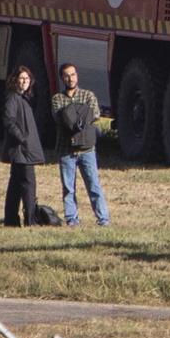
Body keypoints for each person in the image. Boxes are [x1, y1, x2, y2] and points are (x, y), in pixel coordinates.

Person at [50, 62, 110, 227]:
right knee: (69, 188)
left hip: (87, 149)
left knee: (94, 185)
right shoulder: (57, 99)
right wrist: (80, 114)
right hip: (65, 150)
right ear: (62, 78)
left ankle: (103, 218)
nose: (71, 78)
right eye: (67, 75)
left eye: (73, 74)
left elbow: (94, 114)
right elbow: (60, 119)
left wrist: (73, 116)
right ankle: (72, 219)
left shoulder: (88, 95)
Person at [1, 65, 44, 227]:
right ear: (15, 80)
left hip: (23, 151)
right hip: (21, 151)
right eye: (22, 78)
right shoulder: (13, 98)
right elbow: (8, 120)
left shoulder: (24, 99)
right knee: (28, 186)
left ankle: (11, 220)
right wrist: (22, 138)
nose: (25, 81)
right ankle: (30, 220)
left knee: (15, 186)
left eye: (27, 78)